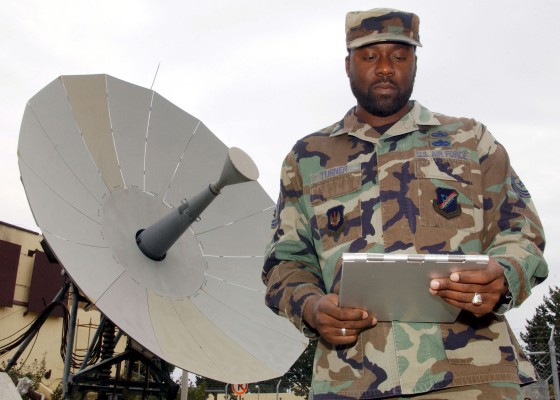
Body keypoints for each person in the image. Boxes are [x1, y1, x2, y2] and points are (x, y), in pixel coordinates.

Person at [262, 8, 548, 400]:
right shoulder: (307, 158)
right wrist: (311, 307)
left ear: (415, 63)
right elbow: (285, 262)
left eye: (399, 56)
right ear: (347, 65)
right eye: (369, 56)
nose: (384, 68)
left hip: (473, 377)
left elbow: (522, 232)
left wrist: (504, 275)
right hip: (351, 382)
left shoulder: (470, 140)